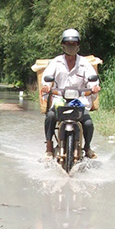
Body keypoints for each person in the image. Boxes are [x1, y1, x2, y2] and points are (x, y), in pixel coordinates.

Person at [40, 28, 101, 158]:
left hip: (79, 102)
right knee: (50, 117)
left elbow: (92, 80)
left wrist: (94, 87)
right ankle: (49, 147)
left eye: (73, 44)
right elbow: (46, 77)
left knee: (88, 123)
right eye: (68, 44)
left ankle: (87, 147)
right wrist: (46, 86)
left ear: (78, 45)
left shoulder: (84, 63)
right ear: (63, 45)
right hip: (59, 100)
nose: (71, 47)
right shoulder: (56, 62)